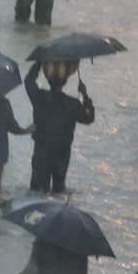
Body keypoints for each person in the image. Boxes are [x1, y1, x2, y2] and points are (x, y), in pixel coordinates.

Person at [24, 60, 95, 194]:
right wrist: (85, 95)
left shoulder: (39, 98)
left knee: (37, 190)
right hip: (62, 152)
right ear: (66, 81)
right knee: (58, 189)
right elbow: (89, 118)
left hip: (42, 150)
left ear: (47, 78)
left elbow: (29, 81)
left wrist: (39, 61)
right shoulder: (72, 104)